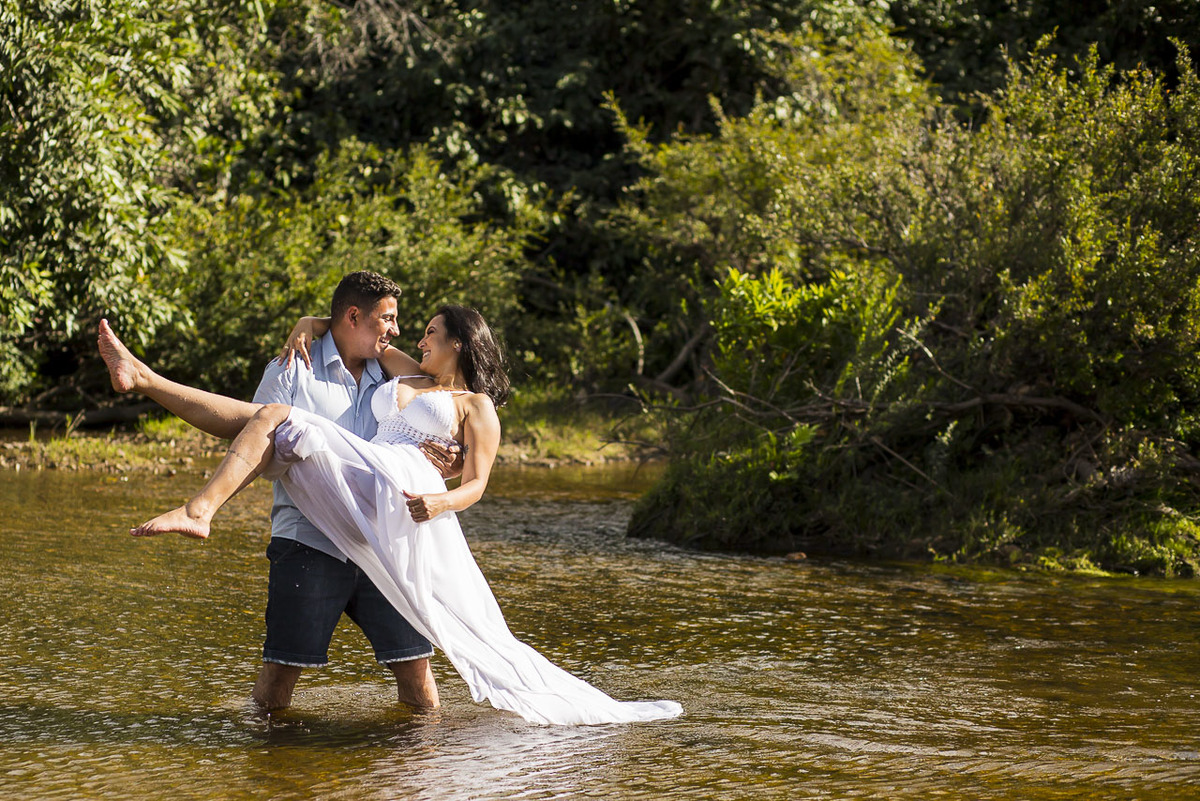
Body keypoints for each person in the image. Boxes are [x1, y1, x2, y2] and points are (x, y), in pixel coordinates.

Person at [98, 304, 683, 726]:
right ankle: (154, 398)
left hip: (405, 501)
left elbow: (477, 484)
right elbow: (359, 330)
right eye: (416, 331)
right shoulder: (410, 373)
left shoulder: (476, 407)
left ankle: (184, 466)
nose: (416, 339)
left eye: (430, 333)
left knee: (276, 418)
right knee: (275, 418)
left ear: (458, 342)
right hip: (362, 481)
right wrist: (311, 322)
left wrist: (439, 501)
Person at [102, 271, 450, 713]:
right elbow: (253, 441)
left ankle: (422, 772)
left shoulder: (390, 372)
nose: (396, 329)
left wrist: (315, 321)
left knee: (417, 674)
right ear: (355, 315)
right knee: (279, 678)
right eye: (387, 319)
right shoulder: (293, 365)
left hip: (381, 543)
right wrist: (315, 329)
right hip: (310, 539)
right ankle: (272, 771)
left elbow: (435, 397)